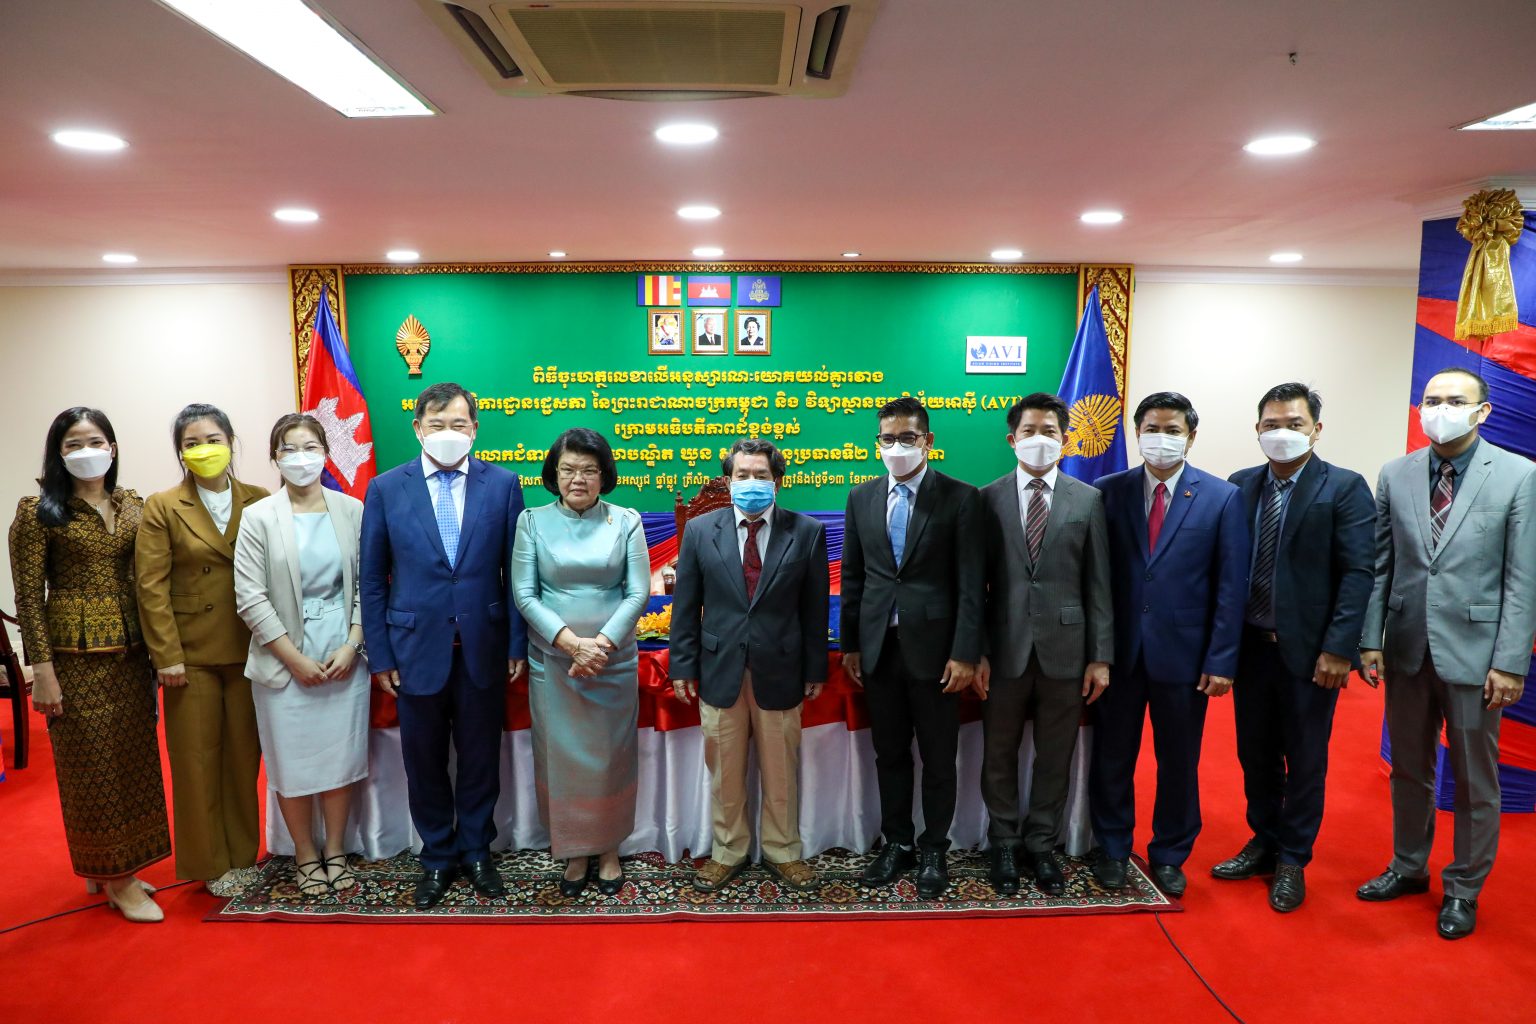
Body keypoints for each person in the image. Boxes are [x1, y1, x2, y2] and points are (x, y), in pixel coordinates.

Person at [1356, 367, 1536, 940]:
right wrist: (1370, 638)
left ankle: (1463, 888)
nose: (1441, 409)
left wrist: (1509, 662)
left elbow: (1523, 579)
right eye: (1432, 400)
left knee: (1474, 779)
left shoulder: (1519, 475)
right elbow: (1381, 566)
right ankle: (1408, 867)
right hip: (1407, 646)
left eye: (1456, 400)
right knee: (1410, 769)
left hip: (1478, 655)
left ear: (1483, 411)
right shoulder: (1396, 473)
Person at [360, 382, 527, 909]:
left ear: (475, 429)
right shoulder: (386, 488)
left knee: (480, 757)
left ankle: (477, 850)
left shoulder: (504, 485)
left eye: (459, 424)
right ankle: (436, 855)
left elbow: (515, 575)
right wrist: (381, 654)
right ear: (418, 429)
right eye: (437, 425)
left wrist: (515, 644)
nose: (448, 433)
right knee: (424, 760)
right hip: (413, 650)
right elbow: (372, 580)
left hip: (484, 646)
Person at [9, 408, 171, 922]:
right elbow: (28, 597)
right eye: (73, 444)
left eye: (96, 441)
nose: (87, 452)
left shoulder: (133, 505)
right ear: (58, 454)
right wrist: (42, 672)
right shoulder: (39, 513)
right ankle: (118, 882)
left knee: (134, 764)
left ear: (112, 448)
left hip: (132, 656)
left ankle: (117, 869)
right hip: (74, 665)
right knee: (93, 770)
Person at [1216, 384, 1374, 912]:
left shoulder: (1344, 487)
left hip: (1311, 654)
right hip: (1251, 648)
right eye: (1271, 424)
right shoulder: (1240, 485)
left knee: (1305, 758)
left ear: (1316, 430)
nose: (1281, 433)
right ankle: (1263, 840)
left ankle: (1293, 858)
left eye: (1294, 423)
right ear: (1257, 430)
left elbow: (1358, 572)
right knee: (1255, 753)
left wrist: (1340, 648)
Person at [1088, 391, 1248, 898]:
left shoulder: (1222, 497)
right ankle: (1113, 847)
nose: (1162, 439)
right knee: (1112, 756)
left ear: (1191, 437)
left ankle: (1170, 852)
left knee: (1178, 760)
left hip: (1185, 657)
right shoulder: (1106, 492)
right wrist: (1096, 651)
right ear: (1136, 434)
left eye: (1172, 430)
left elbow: (1231, 587)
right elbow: (1094, 577)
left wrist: (1222, 659)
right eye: (1152, 429)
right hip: (1118, 655)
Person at [669, 438, 830, 892]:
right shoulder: (700, 530)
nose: (752, 483)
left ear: (777, 482)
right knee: (724, 770)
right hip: (719, 669)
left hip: (781, 668)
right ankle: (728, 851)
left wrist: (815, 669)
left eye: (761, 475)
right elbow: (686, 606)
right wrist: (682, 666)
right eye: (743, 475)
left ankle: (783, 850)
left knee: (781, 769)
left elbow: (815, 609)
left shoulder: (807, 532)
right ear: (728, 480)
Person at [841, 397, 984, 899]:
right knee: (890, 753)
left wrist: (966, 653)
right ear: (876, 443)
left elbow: (972, 584)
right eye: (888, 439)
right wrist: (852, 644)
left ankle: (934, 849)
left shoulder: (961, 498)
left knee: (939, 758)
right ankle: (897, 843)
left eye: (907, 438)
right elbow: (854, 577)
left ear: (928, 441)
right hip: (880, 649)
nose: (897, 447)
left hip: (939, 654)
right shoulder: (861, 497)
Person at [975, 393, 1112, 896]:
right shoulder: (985, 499)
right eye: (1029, 431)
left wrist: (1100, 656)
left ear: (1065, 439)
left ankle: (1041, 844)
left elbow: (1099, 584)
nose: (1040, 439)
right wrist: (976, 651)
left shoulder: (1088, 499)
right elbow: (974, 586)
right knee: (999, 752)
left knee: (1055, 754)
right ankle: (1004, 842)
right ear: (1012, 440)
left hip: (1067, 651)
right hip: (1003, 649)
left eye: (1049, 431)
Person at [233, 414, 369, 897]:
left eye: (310, 447)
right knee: (292, 763)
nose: (300, 457)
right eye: (288, 449)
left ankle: (336, 850)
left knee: (339, 760)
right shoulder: (259, 516)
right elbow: (249, 597)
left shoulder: (352, 509)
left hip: (343, 655)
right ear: (275, 458)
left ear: (326, 453)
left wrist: (353, 643)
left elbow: (368, 584)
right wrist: (293, 659)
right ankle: (306, 855)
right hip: (282, 661)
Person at [136, 403, 268, 896]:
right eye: (192, 443)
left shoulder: (259, 499)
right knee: (196, 760)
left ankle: (243, 855)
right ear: (180, 452)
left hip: (252, 646)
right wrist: (165, 655)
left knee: (243, 758)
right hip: (189, 655)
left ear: (231, 441)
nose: (204, 449)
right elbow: (151, 586)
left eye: (213, 439)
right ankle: (210, 864)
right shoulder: (163, 505)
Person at [512, 428, 649, 896]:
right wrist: (572, 644)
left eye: (589, 470)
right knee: (563, 759)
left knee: (611, 757)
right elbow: (525, 594)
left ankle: (608, 848)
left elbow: (637, 592)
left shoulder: (626, 521)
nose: (578, 479)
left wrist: (601, 645)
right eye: (568, 469)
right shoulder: (531, 522)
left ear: (603, 475)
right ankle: (573, 850)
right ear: (553, 474)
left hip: (612, 661)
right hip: (554, 662)